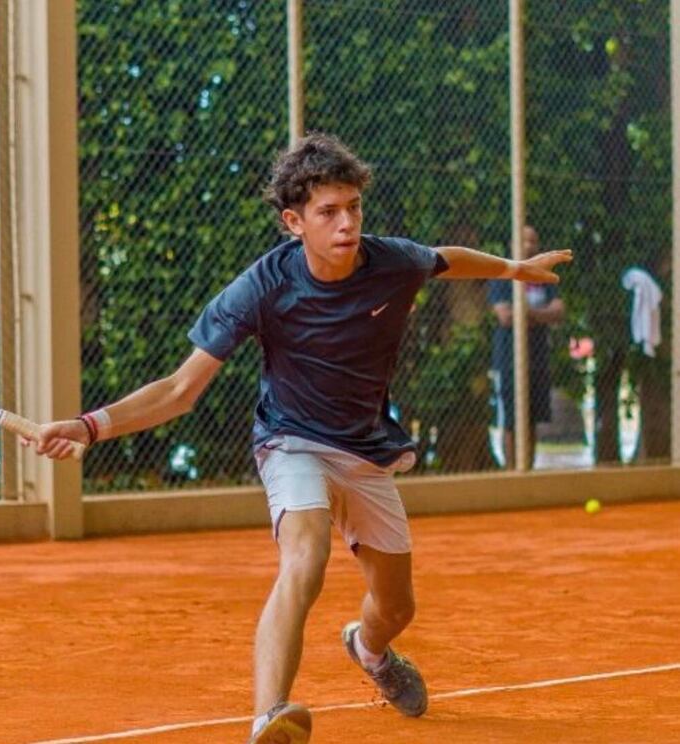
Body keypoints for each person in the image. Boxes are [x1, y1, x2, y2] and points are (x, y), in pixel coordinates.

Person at [32, 134, 572, 744]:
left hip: (366, 450)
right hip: (291, 441)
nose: (347, 224)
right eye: (328, 212)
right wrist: (90, 426)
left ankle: (369, 650)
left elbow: (443, 259)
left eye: (354, 207)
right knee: (304, 558)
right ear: (294, 223)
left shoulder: (391, 261)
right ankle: (270, 717)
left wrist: (513, 270)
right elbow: (181, 389)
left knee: (397, 608)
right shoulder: (262, 287)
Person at [488, 225, 566, 469]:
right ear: (513, 245)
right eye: (524, 241)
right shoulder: (502, 274)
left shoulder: (543, 277)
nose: (530, 246)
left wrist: (524, 312)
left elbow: (558, 311)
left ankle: (528, 470)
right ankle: (512, 471)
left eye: (534, 241)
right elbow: (505, 316)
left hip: (538, 358)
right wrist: (540, 314)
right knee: (511, 421)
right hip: (508, 359)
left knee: (531, 419)